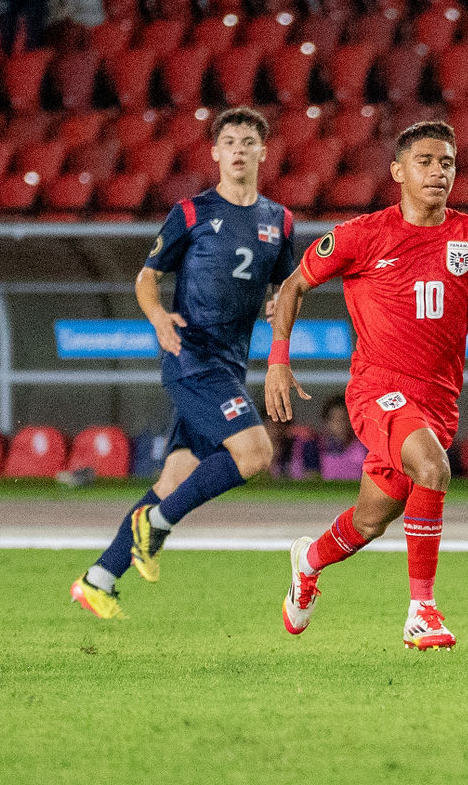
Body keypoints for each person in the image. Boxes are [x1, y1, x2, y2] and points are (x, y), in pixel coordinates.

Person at [265, 119, 468, 650]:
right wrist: (278, 360)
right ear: (398, 172)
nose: (439, 172)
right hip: (377, 389)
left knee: (372, 520)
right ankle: (422, 610)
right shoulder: (361, 236)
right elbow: (294, 284)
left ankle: (308, 562)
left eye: (447, 163)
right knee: (434, 467)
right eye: (426, 162)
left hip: (439, 400)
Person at [70, 106, 294, 618]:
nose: (238, 149)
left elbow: (284, 280)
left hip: (230, 366)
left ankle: (98, 579)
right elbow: (146, 277)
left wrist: (277, 298)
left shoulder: (279, 221)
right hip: (191, 358)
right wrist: (157, 317)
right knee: (255, 453)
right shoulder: (191, 212)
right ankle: (160, 524)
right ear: (215, 153)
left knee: (172, 481)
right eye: (229, 141)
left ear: (263, 151)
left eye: (248, 141)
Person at [316, 395, 367, 481]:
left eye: (344, 419)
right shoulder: (318, 447)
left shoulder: (365, 447)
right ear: (327, 423)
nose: (341, 424)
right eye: (336, 420)